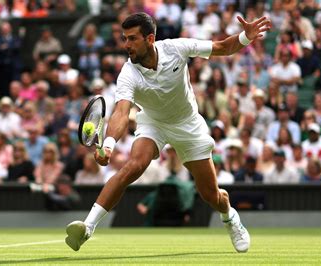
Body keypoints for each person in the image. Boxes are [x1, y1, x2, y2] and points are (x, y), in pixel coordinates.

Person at [65, 12, 271, 253]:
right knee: (133, 166)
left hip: (188, 124)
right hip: (153, 122)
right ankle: (87, 227)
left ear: (150, 38)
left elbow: (223, 47)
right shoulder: (128, 74)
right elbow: (121, 113)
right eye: (125, 39)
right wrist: (108, 144)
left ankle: (230, 217)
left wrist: (245, 37)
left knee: (211, 195)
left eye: (132, 39)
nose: (127, 45)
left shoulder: (177, 48)